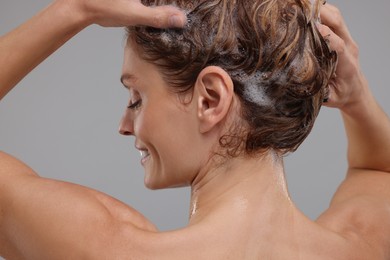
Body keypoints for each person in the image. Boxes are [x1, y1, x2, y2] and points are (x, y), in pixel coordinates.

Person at [0, 0, 389, 259]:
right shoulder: (360, 246)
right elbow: (379, 173)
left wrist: (74, 10)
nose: (124, 125)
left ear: (210, 99)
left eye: (136, 97)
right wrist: (359, 102)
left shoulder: (115, 249)